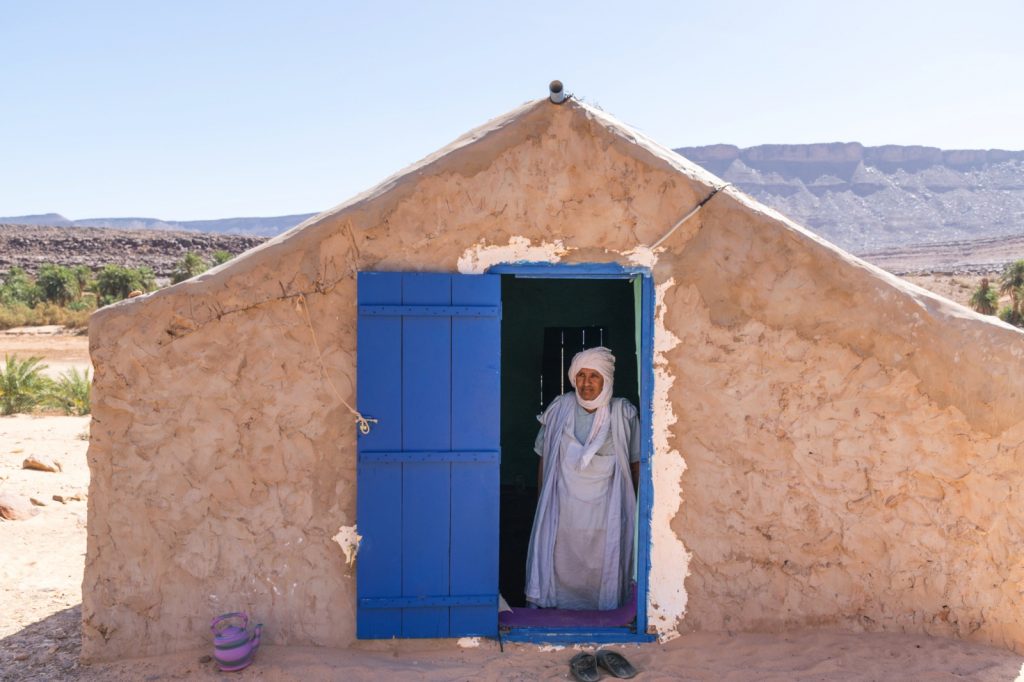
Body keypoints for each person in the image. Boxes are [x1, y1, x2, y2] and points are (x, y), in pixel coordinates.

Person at [524, 346, 640, 611]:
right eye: (581, 375)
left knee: (602, 563)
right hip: (563, 510)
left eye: (594, 376)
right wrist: (543, 499)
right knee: (559, 560)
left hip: (607, 513)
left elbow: (635, 465)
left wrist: (629, 510)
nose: (586, 383)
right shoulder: (560, 408)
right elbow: (544, 456)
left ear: (606, 379)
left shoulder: (622, 414)